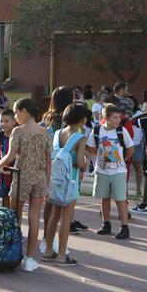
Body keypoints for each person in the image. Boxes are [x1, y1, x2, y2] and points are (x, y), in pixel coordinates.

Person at [0, 97, 49, 272]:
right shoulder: (45, 131)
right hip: (40, 177)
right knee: (34, 218)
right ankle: (29, 258)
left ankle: (13, 253)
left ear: (24, 111)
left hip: (21, 177)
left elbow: (11, 156)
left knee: (15, 217)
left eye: (17, 112)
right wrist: (47, 183)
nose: (16, 116)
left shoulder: (18, 131)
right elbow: (49, 160)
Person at [43, 103, 89, 263]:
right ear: (82, 120)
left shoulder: (57, 134)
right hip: (71, 181)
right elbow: (79, 162)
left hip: (55, 180)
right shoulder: (80, 137)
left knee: (54, 216)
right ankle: (62, 255)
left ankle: (48, 250)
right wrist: (85, 163)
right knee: (66, 218)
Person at [92, 103, 133, 240]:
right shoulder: (97, 131)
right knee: (104, 198)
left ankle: (124, 227)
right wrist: (96, 160)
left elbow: (130, 147)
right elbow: (91, 147)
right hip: (102, 171)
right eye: (114, 117)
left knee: (120, 199)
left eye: (119, 117)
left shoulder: (122, 131)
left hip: (118, 171)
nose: (118, 120)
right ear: (106, 118)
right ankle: (106, 224)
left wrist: (124, 160)